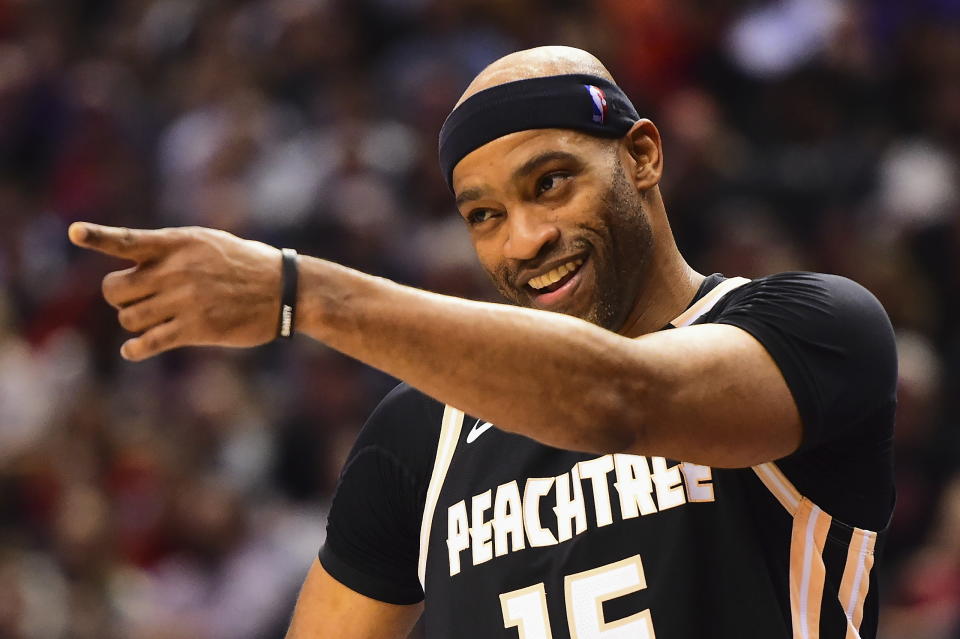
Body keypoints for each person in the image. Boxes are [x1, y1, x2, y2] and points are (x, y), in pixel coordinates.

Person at [68, 46, 896, 639]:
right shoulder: (420, 433)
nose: (525, 240)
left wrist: (302, 293)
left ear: (641, 156)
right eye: (485, 217)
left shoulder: (814, 326)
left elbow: (622, 398)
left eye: (551, 183)